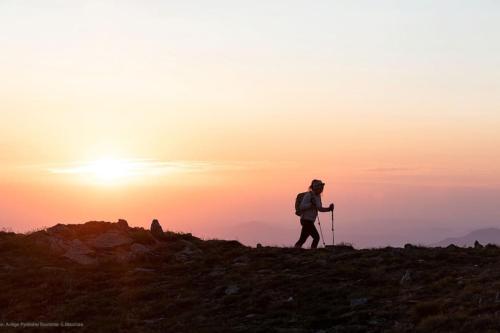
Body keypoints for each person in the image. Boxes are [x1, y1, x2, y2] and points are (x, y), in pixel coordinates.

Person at [294, 179, 334, 248]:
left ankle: (295, 250)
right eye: (320, 187)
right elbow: (301, 207)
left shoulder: (318, 197)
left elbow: (319, 208)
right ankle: (312, 251)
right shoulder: (308, 195)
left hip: (309, 220)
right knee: (316, 237)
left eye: (321, 187)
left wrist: (329, 209)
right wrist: (311, 205)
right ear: (316, 187)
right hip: (306, 220)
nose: (321, 189)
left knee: (302, 239)